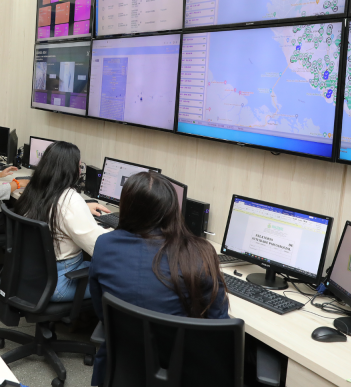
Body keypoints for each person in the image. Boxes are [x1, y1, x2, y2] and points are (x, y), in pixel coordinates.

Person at [88, 171, 229, 386]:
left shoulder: (105, 244)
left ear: (126, 206)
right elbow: (219, 326)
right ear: (173, 209)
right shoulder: (200, 252)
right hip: (184, 370)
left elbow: (103, 312)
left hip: (123, 366)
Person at [14, 141, 110, 302]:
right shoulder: (70, 200)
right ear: (70, 170)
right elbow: (99, 247)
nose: (80, 171)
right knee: (115, 277)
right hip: (59, 282)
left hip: (30, 275)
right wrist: (120, 231)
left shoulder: (33, 190)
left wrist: (84, 207)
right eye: (79, 167)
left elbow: (57, 210)